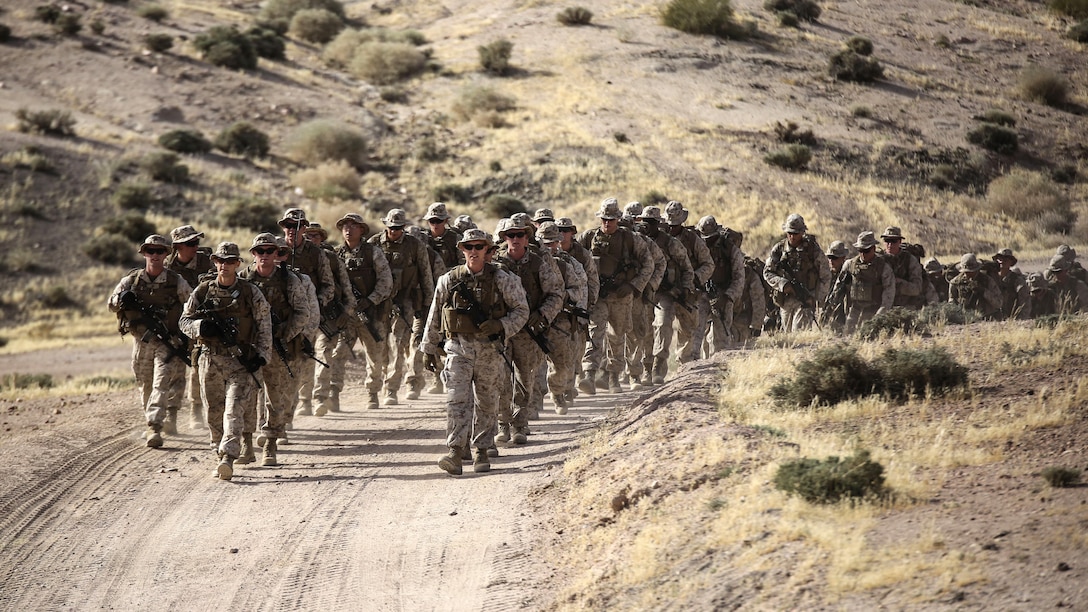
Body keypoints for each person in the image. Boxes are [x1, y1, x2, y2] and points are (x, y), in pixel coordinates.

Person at [420, 229, 529, 475]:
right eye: (469, 247)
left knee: (487, 401)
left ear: (488, 250)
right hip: (457, 348)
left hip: (489, 350)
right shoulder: (448, 280)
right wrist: (428, 348)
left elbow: (522, 311)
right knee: (457, 400)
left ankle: (481, 448)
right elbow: (435, 315)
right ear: (462, 250)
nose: (473, 251)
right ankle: (456, 451)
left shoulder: (502, 279)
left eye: (479, 247)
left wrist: (501, 326)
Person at [179, 242, 272, 481]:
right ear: (215, 262)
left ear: (237, 264)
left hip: (240, 363)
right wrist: (200, 327)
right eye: (221, 261)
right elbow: (184, 321)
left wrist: (262, 356)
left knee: (233, 411)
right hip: (210, 360)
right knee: (214, 411)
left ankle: (228, 457)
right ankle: (218, 452)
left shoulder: (251, 292)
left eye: (230, 261)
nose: (225, 265)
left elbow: (264, 325)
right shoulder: (201, 291)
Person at [109, 235, 193, 448]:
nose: (155, 255)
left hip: (167, 343)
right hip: (141, 342)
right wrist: (122, 300)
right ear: (144, 253)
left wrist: (186, 336)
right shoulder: (132, 280)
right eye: (151, 251)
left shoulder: (176, 281)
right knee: (145, 384)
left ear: (166, 254)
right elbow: (111, 304)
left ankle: (154, 426)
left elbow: (192, 306)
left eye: (160, 251)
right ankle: (153, 420)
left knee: (161, 383)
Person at [238, 233, 315, 466]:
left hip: (278, 346)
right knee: (247, 396)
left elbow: (303, 312)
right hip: (250, 347)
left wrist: (284, 334)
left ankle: (270, 443)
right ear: (253, 254)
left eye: (269, 251)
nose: (264, 256)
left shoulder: (288, 280)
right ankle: (246, 444)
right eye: (260, 251)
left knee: (275, 397)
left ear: (276, 253)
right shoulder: (243, 279)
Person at [494, 215, 564, 442]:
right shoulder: (496, 264)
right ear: (504, 238)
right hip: (503, 329)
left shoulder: (538, 263)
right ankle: (503, 423)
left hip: (528, 331)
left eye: (520, 235)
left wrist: (542, 315)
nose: (514, 239)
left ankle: (520, 424)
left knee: (525, 379)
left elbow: (556, 293)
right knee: (502, 379)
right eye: (510, 235)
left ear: (527, 237)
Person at [577, 198, 654, 394]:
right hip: (599, 296)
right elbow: (572, 259)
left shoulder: (630, 239)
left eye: (611, 219)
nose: (607, 223)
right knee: (595, 332)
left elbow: (649, 264)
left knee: (618, 336)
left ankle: (613, 377)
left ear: (618, 219)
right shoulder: (588, 237)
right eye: (604, 219)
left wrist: (633, 285)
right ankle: (589, 374)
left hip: (622, 296)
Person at [368, 209, 434, 406]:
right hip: (379, 302)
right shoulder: (374, 244)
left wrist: (427, 304)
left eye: (398, 228)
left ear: (404, 227)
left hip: (405, 301)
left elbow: (425, 274)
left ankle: (392, 389)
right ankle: (374, 389)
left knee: (398, 344)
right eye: (391, 227)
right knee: (379, 346)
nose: (394, 231)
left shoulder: (415, 246)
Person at [332, 214, 394, 410]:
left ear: (362, 230)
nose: (348, 229)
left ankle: (372, 392)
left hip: (370, 314)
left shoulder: (373, 253)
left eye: (353, 226)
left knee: (375, 355)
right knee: (338, 353)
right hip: (347, 316)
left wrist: (370, 301)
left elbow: (386, 282)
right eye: (345, 226)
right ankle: (333, 393)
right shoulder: (337, 255)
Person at [277, 209, 334, 417]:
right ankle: (278, 412)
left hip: (307, 316)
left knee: (304, 359)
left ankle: (304, 401)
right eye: (288, 226)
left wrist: (316, 303)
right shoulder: (271, 249)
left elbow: (328, 285)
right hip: (277, 317)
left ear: (304, 228)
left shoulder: (316, 253)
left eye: (296, 226)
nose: (291, 230)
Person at [303, 222, 356, 416]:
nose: (311, 239)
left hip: (328, 317)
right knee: (305, 359)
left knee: (324, 355)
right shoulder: (295, 257)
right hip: (304, 318)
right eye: (308, 235)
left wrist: (347, 313)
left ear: (322, 238)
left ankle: (320, 398)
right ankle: (304, 401)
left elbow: (346, 288)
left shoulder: (332, 259)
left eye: (315, 236)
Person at [637, 206, 692, 384]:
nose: (647, 226)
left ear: (659, 223)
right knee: (644, 328)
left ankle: (659, 365)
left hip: (666, 293)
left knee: (662, 324)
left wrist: (685, 288)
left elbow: (687, 268)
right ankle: (646, 366)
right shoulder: (637, 241)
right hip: (644, 292)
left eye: (651, 223)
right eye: (644, 222)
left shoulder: (670, 243)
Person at [165, 225, 213, 430]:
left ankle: (196, 409)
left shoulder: (206, 262)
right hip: (174, 324)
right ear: (177, 247)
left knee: (196, 367)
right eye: (191, 243)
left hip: (198, 323)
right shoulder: (167, 266)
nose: (196, 247)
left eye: (196, 242)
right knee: (174, 369)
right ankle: (171, 415)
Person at [536, 221, 587, 413]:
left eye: (553, 243)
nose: (550, 248)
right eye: (545, 244)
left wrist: (563, 299)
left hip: (560, 321)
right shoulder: (530, 263)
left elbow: (579, 290)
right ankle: (530, 405)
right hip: (534, 320)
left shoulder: (569, 265)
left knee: (562, 364)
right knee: (532, 367)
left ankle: (557, 393)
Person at [664, 201, 714, 363]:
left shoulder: (693, 239)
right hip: (664, 290)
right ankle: (657, 366)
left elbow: (708, 264)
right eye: (670, 224)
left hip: (687, 292)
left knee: (688, 329)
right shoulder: (661, 238)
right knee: (661, 325)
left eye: (676, 225)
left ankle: (684, 364)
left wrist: (693, 280)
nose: (672, 228)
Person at [763, 214, 830, 331]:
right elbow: (767, 272)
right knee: (788, 337)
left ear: (802, 233)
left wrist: (817, 298)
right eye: (790, 233)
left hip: (805, 299)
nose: (792, 237)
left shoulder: (812, 250)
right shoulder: (779, 249)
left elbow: (825, 275)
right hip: (785, 300)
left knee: (799, 333)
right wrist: (783, 284)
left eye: (796, 233)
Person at [696, 216, 745, 354]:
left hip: (723, 295)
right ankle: (690, 366)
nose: (706, 241)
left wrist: (727, 297)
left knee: (721, 338)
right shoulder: (696, 246)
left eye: (710, 238)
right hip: (700, 294)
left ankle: (719, 369)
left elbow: (739, 278)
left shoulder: (729, 249)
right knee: (695, 333)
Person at [830, 232, 895, 334]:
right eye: (860, 250)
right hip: (854, 309)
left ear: (873, 248)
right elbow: (838, 287)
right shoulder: (850, 264)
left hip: (874, 310)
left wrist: (880, 314)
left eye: (866, 250)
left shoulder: (883, 267)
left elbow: (889, 292)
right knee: (848, 336)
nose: (863, 254)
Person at [879, 227, 927, 309]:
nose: (890, 245)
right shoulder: (878, 259)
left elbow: (917, 288)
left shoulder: (910, 260)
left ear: (900, 242)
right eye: (887, 240)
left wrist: (898, 284)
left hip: (904, 307)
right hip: (880, 306)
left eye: (894, 241)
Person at [948, 253, 1002, 319]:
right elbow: (951, 302)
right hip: (964, 318)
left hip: (987, 318)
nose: (969, 274)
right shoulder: (955, 282)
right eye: (966, 272)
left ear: (977, 269)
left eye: (971, 271)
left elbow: (999, 303)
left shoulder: (987, 280)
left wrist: (983, 291)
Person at [989, 248, 1031, 320]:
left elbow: (1025, 304)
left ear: (1011, 262)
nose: (1002, 261)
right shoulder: (990, 278)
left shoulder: (1017, 280)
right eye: (1000, 258)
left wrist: (1019, 319)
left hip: (1011, 319)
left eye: (1006, 259)